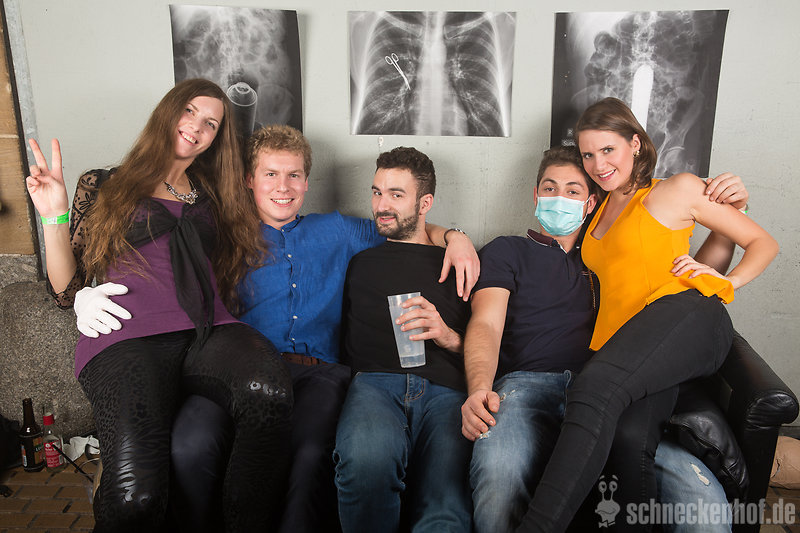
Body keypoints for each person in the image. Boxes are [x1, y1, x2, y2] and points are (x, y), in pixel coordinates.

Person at [74, 124, 479, 532]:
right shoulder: (221, 234)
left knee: (309, 453)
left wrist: (455, 236)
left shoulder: (337, 230)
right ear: (249, 181)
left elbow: (400, 225)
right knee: (190, 444)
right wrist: (85, 293)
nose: (282, 187)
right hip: (232, 372)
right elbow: (156, 271)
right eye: (270, 174)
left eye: (293, 175)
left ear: (306, 182)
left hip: (317, 374)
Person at [24, 79, 293, 532]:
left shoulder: (214, 193)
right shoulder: (104, 183)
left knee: (269, 393)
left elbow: (273, 212)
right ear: (168, 111)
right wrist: (54, 215)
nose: (197, 126)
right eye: (189, 111)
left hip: (209, 331)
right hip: (129, 336)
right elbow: (65, 290)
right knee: (137, 499)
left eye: (211, 123)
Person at [517, 97, 779, 532]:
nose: (598, 164)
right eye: (588, 154)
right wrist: (451, 236)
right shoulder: (598, 207)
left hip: (687, 317)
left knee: (592, 389)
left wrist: (728, 279)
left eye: (608, 150)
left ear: (635, 143)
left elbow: (764, 243)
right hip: (633, 346)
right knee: (627, 439)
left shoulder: (674, 189)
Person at [461, 145, 747, 533]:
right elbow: (486, 324)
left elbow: (694, 283)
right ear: (536, 195)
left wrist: (727, 217)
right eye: (550, 188)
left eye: (573, 191)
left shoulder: (612, 253)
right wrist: (479, 388)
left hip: (616, 395)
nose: (559, 198)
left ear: (591, 202)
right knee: (499, 477)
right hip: (527, 387)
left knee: (701, 502)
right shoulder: (507, 250)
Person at [333, 147, 473, 532]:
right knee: (365, 466)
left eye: (396, 194)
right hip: (375, 384)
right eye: (377, 192)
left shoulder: (459, 262)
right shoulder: (360, 262)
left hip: (446, 388)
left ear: (425, 203)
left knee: (447, 500)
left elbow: (488, 346)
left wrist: (446, 335)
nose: (382, 205)